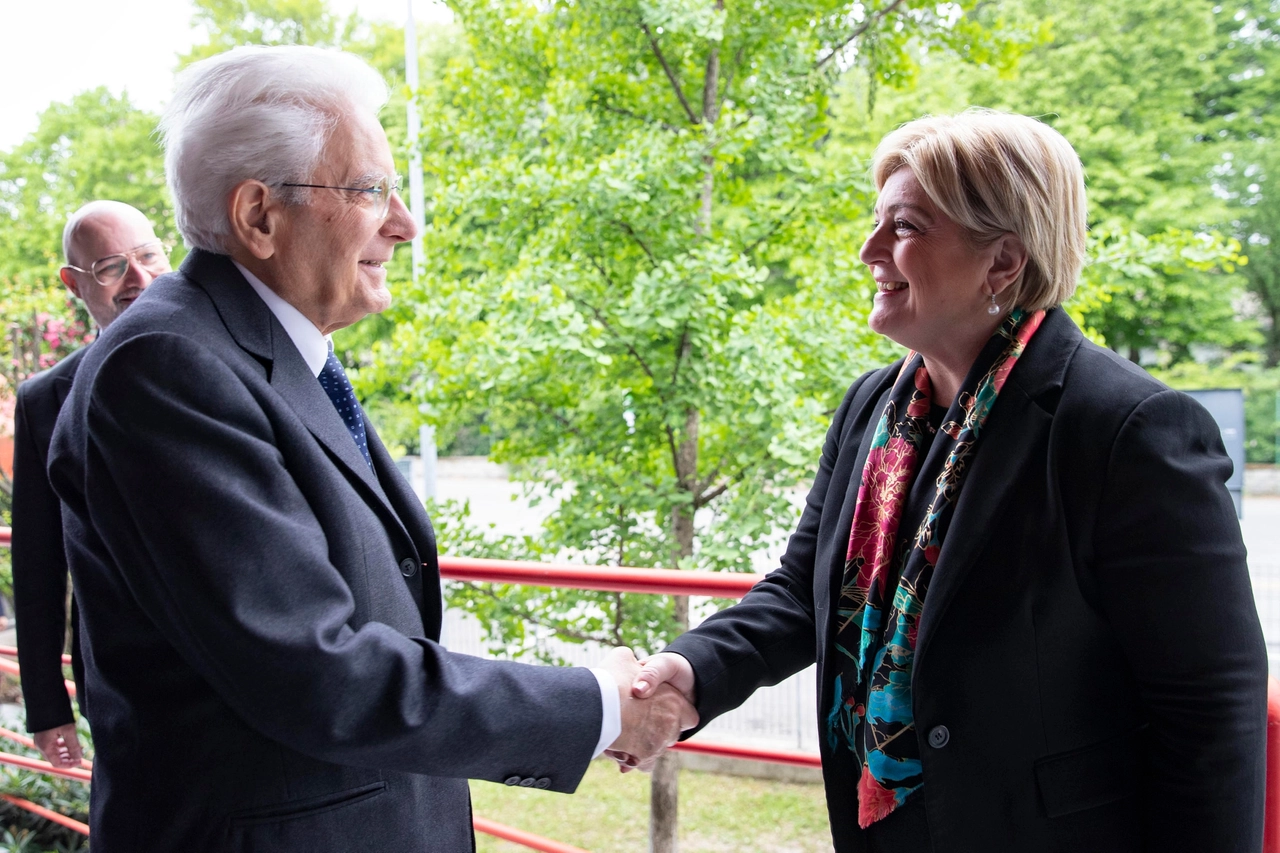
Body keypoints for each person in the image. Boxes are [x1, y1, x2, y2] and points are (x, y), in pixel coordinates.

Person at [46, 45, 693, 853]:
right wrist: (598, 705)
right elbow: (316, 671)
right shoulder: (167, 368)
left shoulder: (256, 349)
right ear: (258, 216)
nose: (405, 223)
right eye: (370, 190)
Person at [629, 110, 1268, 852]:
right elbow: (804, 591)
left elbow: (1210, 712)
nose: (869, 250)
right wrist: (689, 670)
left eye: (903, 227)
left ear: (1002, 262)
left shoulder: (1127, 430)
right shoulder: (872, 408)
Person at [12, 201, 170, 769]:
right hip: (119, 689)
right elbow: (36, 567)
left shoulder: (233, 358)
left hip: (239, 674)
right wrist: (48, 706)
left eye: (149, 255)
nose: (140, 278)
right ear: (73, 283)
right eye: (110, 267)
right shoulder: (42, 402)